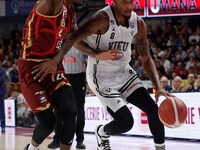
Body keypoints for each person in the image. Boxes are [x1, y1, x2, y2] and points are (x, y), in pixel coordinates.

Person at [32, 1, 174, 150]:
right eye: (124, 2)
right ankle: (101, 132)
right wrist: (93, 54)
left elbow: (146, 58)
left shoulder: (138, 23)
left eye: (131, 1)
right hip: (101, 77)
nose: (129, 6)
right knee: (126, 123)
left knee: (153, 110)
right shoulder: (102, 19)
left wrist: (158, 88)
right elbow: (73, 39)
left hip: (124, 73)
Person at [19, 1, 121, 150]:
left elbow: (73, 39)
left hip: (54, 64)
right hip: (32, 68)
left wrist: (96, 54)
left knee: (71, 112)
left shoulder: (70, 9)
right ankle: (31, 148)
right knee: (48, 123)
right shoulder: (50, 4)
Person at [47, 47, 87, 149]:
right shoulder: (61, 44)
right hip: (63, 77)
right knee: (58, 109)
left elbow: (88, 62)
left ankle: (79, 140)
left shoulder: (83, 43)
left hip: (79, 77)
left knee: (79, 109)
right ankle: (57, 139)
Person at [0, 61, 7, 133]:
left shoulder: (2, 70)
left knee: (1, 110)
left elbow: (1, 80)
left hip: (0, 93)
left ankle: (3, 126)